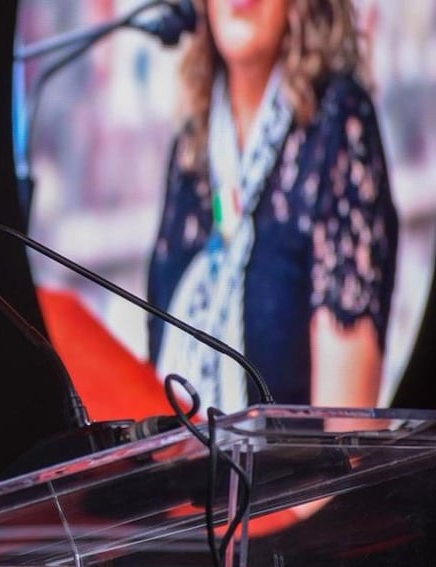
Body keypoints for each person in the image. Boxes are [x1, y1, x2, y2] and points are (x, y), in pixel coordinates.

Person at [147, 0, 398, 412]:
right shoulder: (190, 151)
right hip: (180, 477)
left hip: (287, 478)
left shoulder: (336, 127)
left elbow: (345, 439)